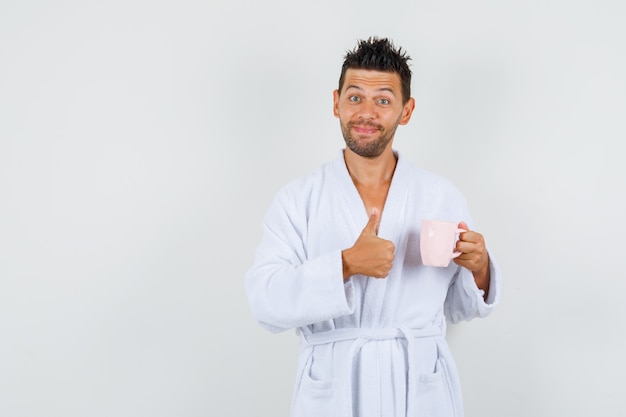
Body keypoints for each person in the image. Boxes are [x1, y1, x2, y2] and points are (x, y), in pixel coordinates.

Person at [245, 37, 501, 417]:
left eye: (382, 100)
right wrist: (345, 264)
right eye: (354, 98)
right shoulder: (298, 199)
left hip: (418, 389)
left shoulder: (440, 195)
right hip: (334, 391)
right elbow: (265, 303)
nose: (366, 112)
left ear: (406, 110)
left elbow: (461, 309)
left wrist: (479, 268)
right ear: (335, 103)